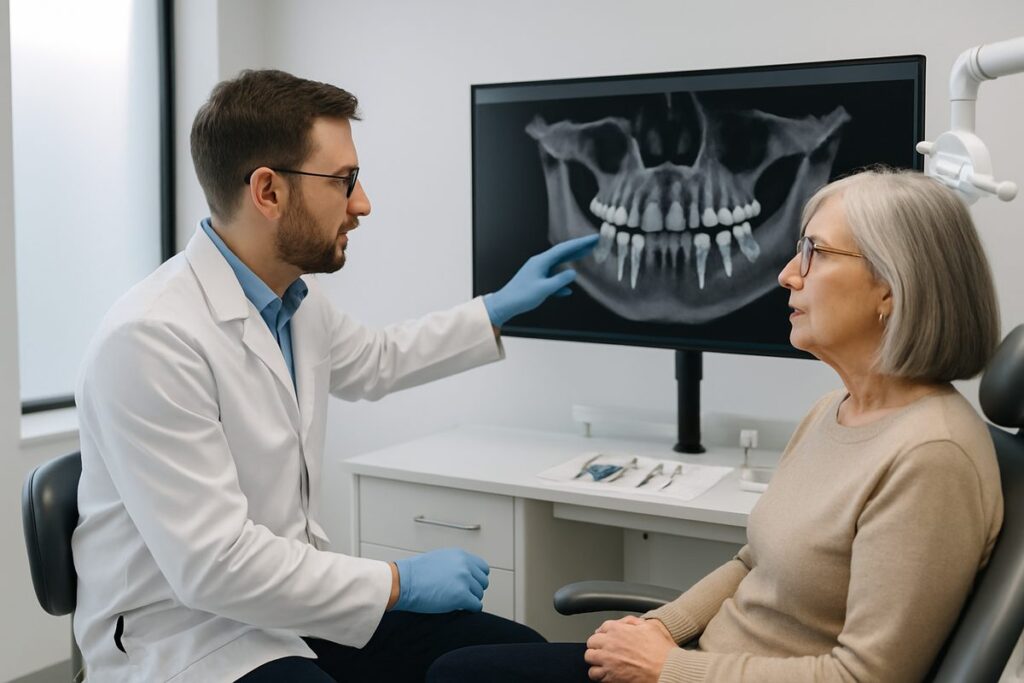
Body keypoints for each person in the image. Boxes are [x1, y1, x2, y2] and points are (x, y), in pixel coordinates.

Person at [71, 69, 598, 682]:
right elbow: (213, 567)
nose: (362, 204)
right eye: (344, 181)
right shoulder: (152, 339)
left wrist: (497, 307)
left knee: (505, 652)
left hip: (288, 608)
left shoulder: (294, 300)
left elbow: (376, 359)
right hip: (187, 636)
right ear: (267, 192)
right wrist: (398, 582)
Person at [426, 167, 1004, 683]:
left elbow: (865, 677)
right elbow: (754, 562)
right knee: (466, 662)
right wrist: (660, 629)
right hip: (701, 660)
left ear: (891, 287)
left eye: (814, 252)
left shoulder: (932, 455)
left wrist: (666, 667)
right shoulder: (834, 409)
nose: (785, 275)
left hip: (698, 673)